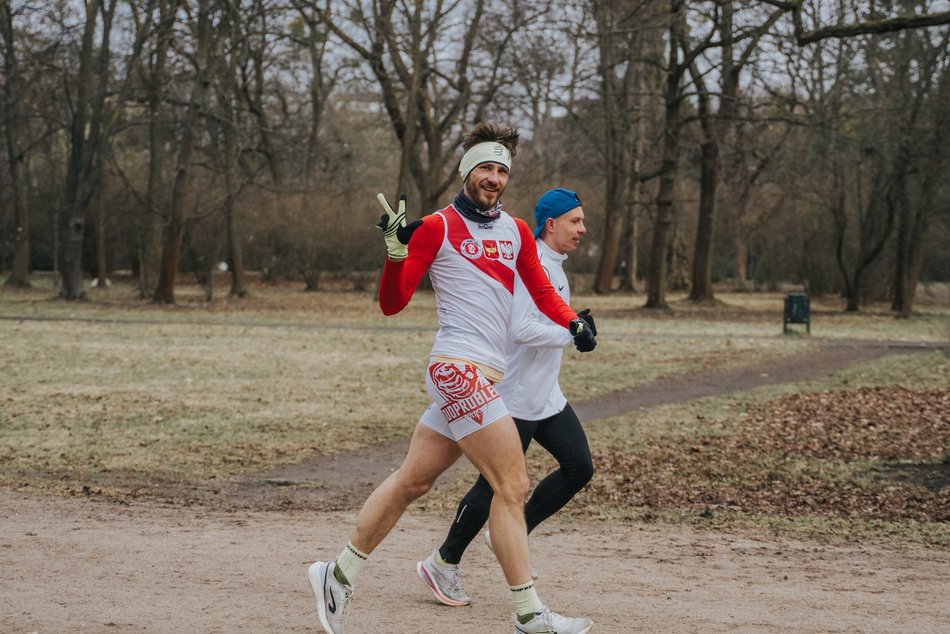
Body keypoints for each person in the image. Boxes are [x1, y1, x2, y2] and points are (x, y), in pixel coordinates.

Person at [307, 122, 597, 634]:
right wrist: (395, 254)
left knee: (412, 481)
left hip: (477, 375)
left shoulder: (511, 231)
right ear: (467, 171)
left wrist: (571, 321)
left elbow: (541, 291)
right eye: (485, 167)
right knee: (512, 484)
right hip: (457, 369)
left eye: (502, 169)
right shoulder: (437, 226)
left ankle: (337, 573)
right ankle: (530, 614)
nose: (494, 177)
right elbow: (392, 304)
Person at [416, 187, 595, 607]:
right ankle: (442, 562)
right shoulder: (531, 261)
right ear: (551, 224)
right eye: (576, 221)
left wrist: (574, 327)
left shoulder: (554, 263)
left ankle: (512, 537)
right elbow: (520, 329)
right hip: (513, 394)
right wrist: (571, 333)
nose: (583, 229)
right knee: (494, 487)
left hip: (545, 395)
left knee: (578, 467)